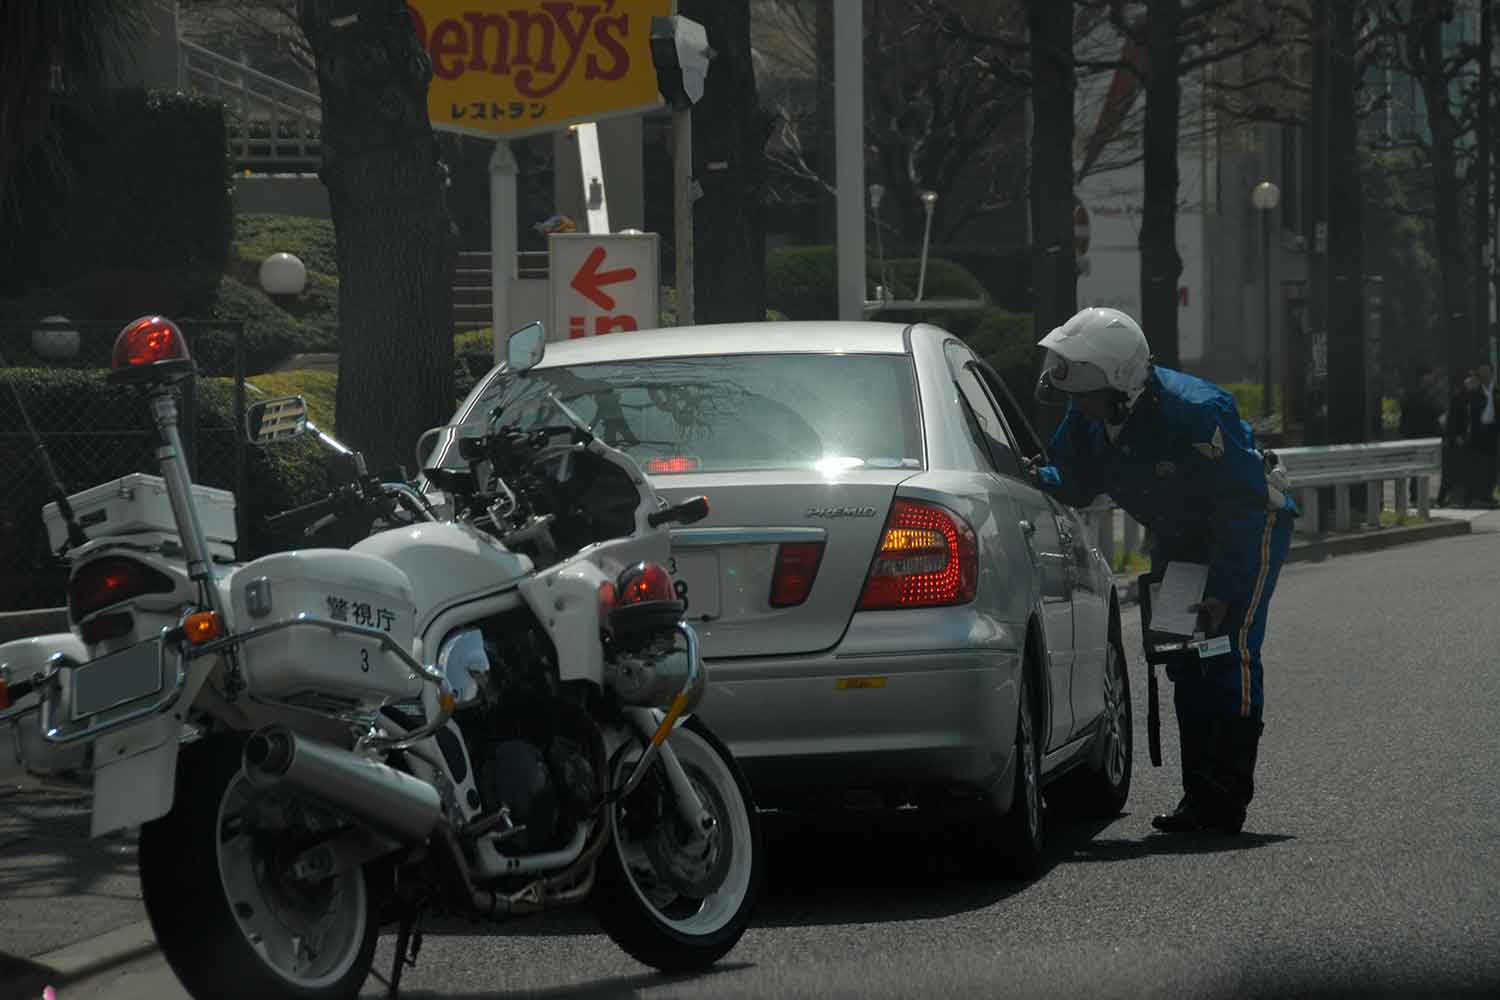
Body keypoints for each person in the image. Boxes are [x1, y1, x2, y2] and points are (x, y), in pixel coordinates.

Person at [1024, 307, 1298, 836]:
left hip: (1246, 527)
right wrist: (1037, 474)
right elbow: (1077, 480)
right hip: (1179, 538)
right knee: (1182, 654)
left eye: (1086, 390)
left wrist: (1223, 589)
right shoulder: (1090, 416)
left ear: (1121, 381)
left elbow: (1241, 503)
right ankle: (1200, 798)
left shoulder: (1195, 411)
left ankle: (1225, 800)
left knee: (1227, 645)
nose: (1077, 403)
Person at [1398, 362, 1442, 506]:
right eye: (1429, 375)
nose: (1432, 378)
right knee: (1418, 468)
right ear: (1424, 377)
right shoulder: (1418, 394)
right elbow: (1429, 411)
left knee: (1421, 468)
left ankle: (1418, 496)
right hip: (1417, 435)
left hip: (1420, 435)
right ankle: (1416, 497)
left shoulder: (1422, 392)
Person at [1465, 362, 1498, 508]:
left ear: (1492, 373)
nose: (1484, 375)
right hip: (1478, 432)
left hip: (1492, 431)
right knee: (1478, 465)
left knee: (1492, 466)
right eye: (1481, 372)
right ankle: (1476, 496)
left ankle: (1488, 495)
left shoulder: (1496, 390)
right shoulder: (1474, 391)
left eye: (1487, 372)